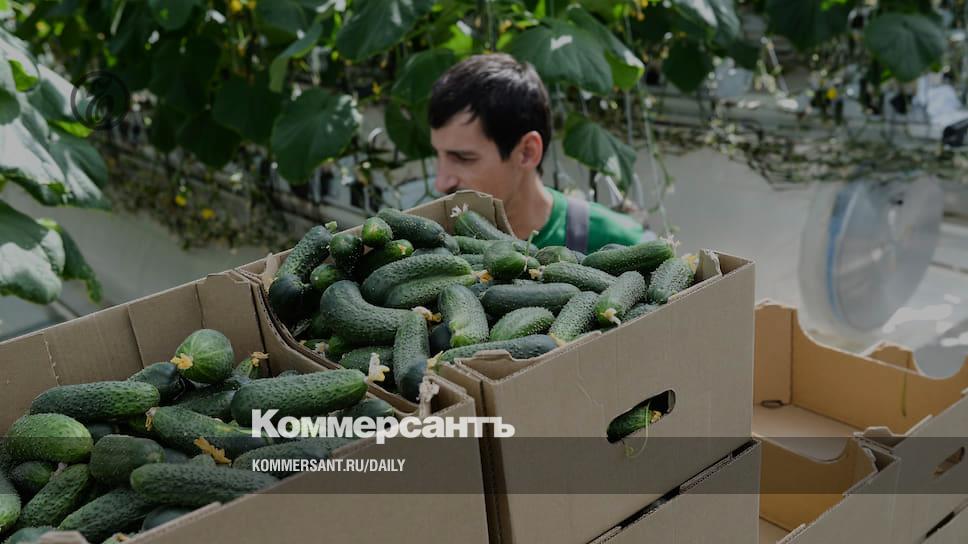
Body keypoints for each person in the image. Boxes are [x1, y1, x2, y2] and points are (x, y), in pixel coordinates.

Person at [428, 53, 655, 254]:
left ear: (527, 152)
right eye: (439, 155)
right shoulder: (434, 246)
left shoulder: (625, 243)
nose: (441, 182)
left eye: (463, 158)